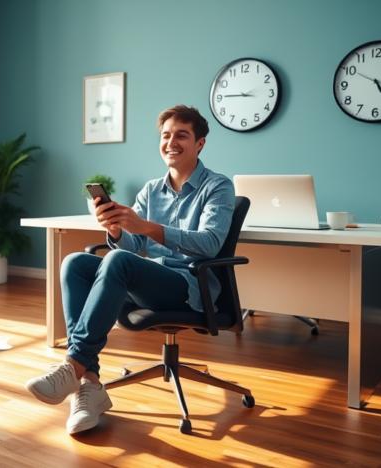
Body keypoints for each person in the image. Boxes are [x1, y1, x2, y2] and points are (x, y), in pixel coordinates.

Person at [25, 105, 236, 434]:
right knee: (76, 263)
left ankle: (73, 365)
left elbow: (210, 244)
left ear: (200, 143)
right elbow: (131, 246)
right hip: (151, 281)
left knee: (117, 261)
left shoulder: (218, 187)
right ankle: (90, 384)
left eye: (182, 135)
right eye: (166, 135)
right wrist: (117, 231)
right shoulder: (152, 190)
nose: (171, 142)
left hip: (190, 286)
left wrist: (147, 227)